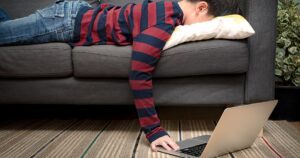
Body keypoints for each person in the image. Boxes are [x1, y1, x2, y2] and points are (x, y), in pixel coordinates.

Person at [0, 0, 239, 152]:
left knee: (10, 29)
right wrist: (154, 130)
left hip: (71, 14)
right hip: (64, 22)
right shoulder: (164, 20)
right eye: (205, 24)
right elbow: (139, 72)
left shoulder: (164, 8)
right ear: (201, 7)